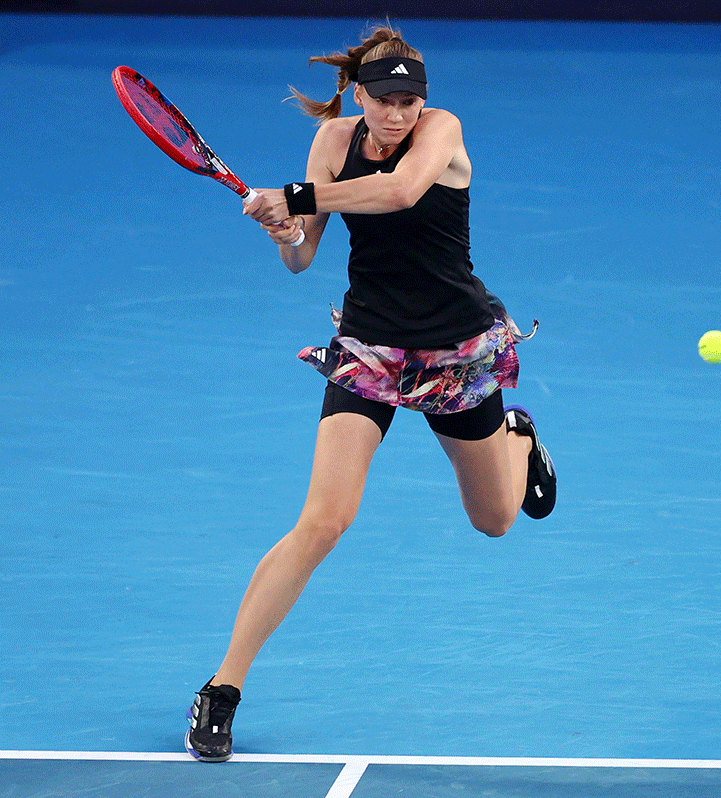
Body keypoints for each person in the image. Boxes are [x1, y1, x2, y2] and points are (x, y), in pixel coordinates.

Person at [185, 26, 556, 763]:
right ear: (359, 96)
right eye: (383, 100)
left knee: (496, 521)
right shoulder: (331, 143)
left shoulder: (441, 132)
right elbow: (302, 258)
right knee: (324, 520)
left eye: (408, 100)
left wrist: (294, 194)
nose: (397, 113)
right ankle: (221, 689)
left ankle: (517, 434)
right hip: (371, 349)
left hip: (454, 351)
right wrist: (283, 228)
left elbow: (399, 191)